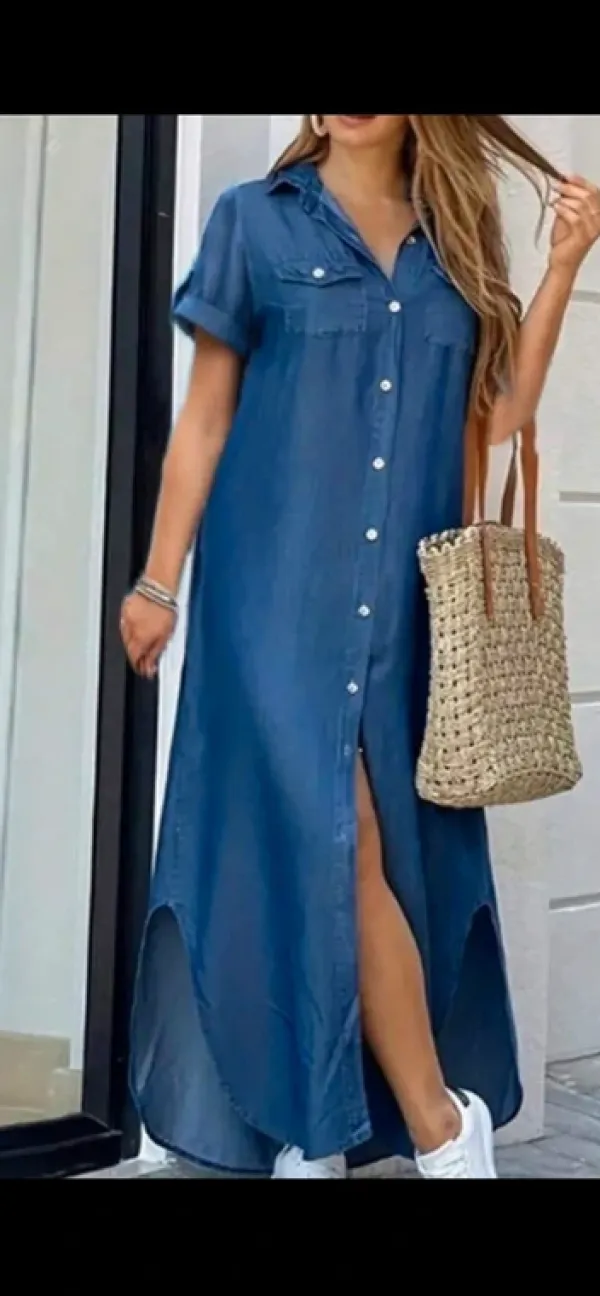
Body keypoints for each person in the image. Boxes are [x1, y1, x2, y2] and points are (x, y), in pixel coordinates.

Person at [121, 115, 600, 1179]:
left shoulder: (456, 242)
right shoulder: (253, 223)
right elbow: (205, 418)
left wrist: (565, 266)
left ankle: (318, 1122)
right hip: (268, 600)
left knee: (346, 850)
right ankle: (439, 1126)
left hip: (399, 613)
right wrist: (159, 579)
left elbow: (497, 417)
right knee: (334, 835)